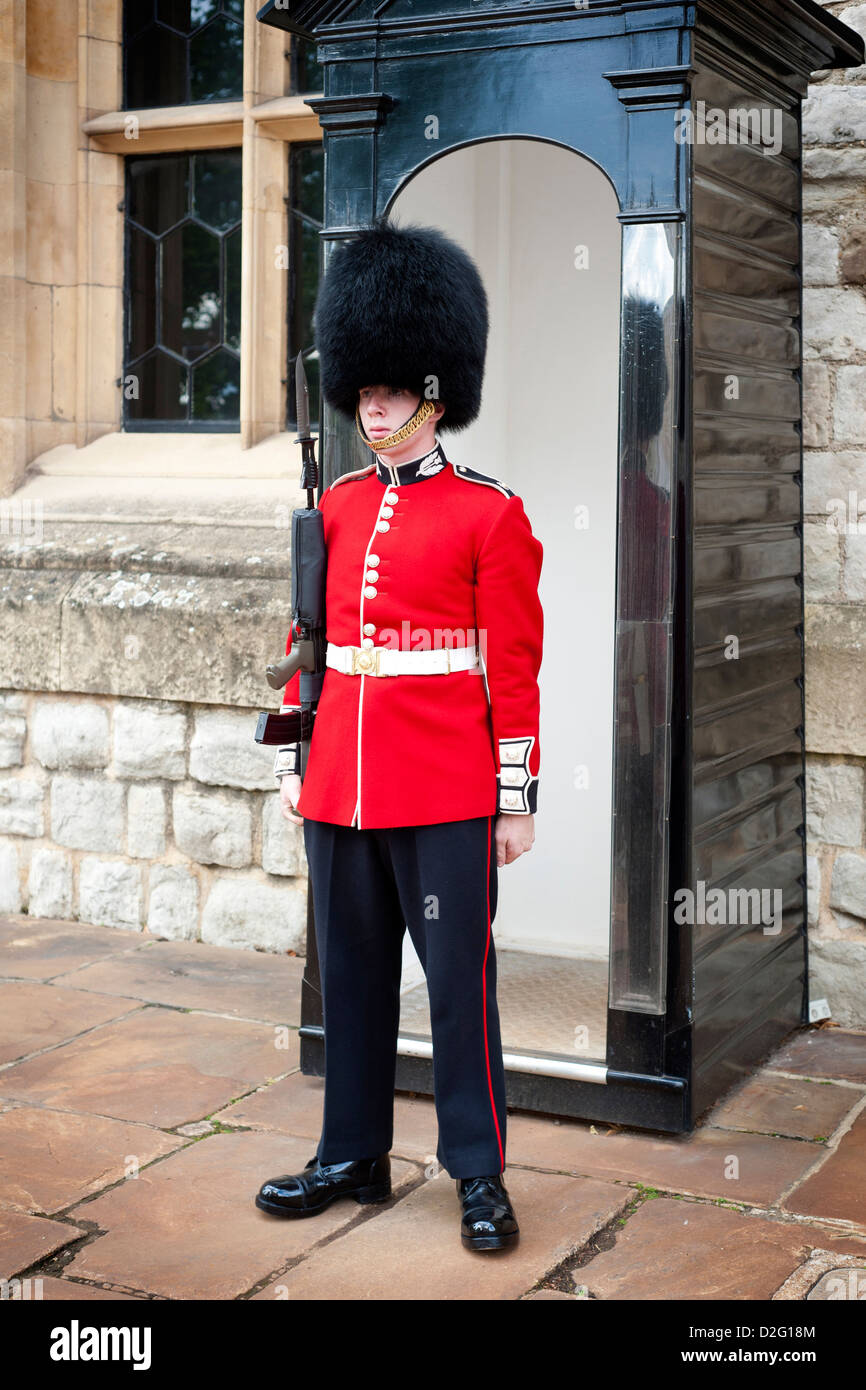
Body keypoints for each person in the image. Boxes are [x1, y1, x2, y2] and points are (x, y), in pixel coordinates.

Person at [254, 218, 544, 1252]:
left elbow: (510, 671)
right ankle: (352, 1153)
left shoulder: (488, 516)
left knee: (457, 983)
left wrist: (511, 797)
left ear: (433, 391)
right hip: (340, 781)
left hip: (445, 785)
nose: (370, 405)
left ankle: (475, 1171)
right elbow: (315, 655)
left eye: (387, 389)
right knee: (351, 972)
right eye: (361, 389)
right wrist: (300, 760)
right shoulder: (331, 508)